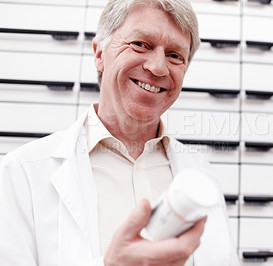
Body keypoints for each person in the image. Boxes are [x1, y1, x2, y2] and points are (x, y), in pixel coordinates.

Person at [0, 0, 240, 265]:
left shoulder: (201, 176)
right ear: (99, 54)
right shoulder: (21, 173)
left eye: (175, 55)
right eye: (141, 44)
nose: (158, 67)